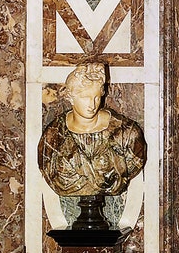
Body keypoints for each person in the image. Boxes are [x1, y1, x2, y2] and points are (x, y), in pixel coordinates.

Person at [36, 60, 148, 228]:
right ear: (71, 98)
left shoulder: (127, 133)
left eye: (97, 97)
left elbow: (134, 161)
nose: (92, 104)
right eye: (85, 97)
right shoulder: (53, 137)